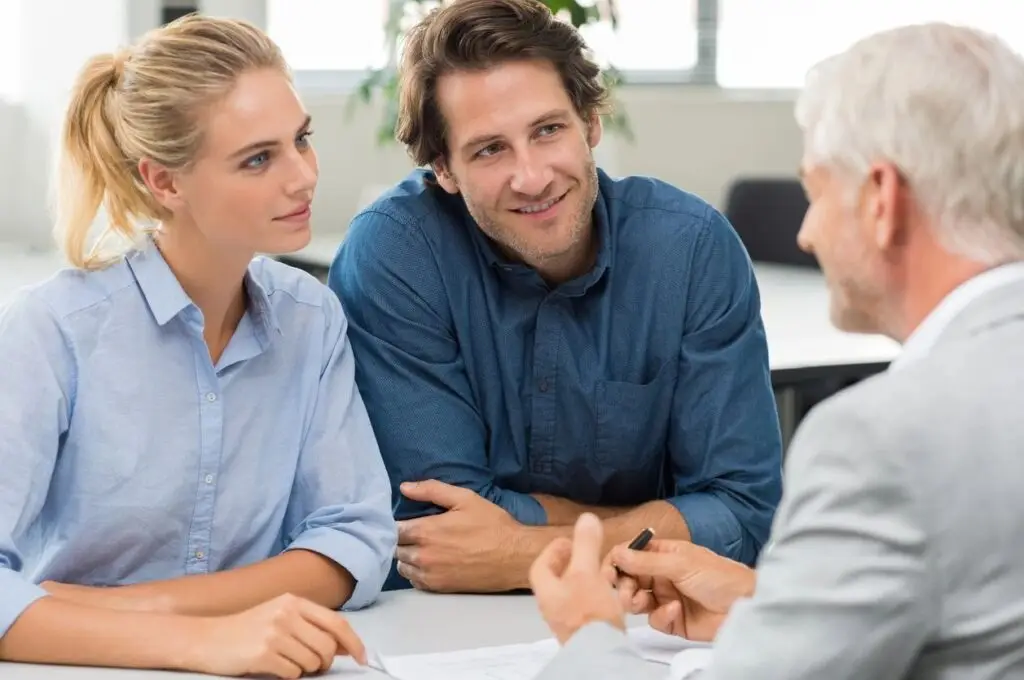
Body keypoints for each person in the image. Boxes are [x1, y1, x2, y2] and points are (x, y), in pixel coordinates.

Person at [530, 21, 1024, 680]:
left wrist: (590, 637)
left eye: (816, 193)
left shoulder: (881, 440)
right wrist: (763, 608)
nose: (805, 232)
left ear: (881, 200)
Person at [328, 0, 783, 594]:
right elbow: (442, 531)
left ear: (590, 122)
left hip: (649, 625)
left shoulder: (690, 249)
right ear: (443, 168)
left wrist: (524, 551)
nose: (533, 176)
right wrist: (661, 522)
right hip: (443, 631)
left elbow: (744, 512)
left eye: (548, 130)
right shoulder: (398, 252)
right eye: (489, 149)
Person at [0, 14, 396, 678]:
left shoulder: (310, 319)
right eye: (259, 158)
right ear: (165, 183)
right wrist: (204, 642)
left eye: (301, 139)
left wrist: (150, 608)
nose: (302, 177)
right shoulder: (52, 332)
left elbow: (352, 539)